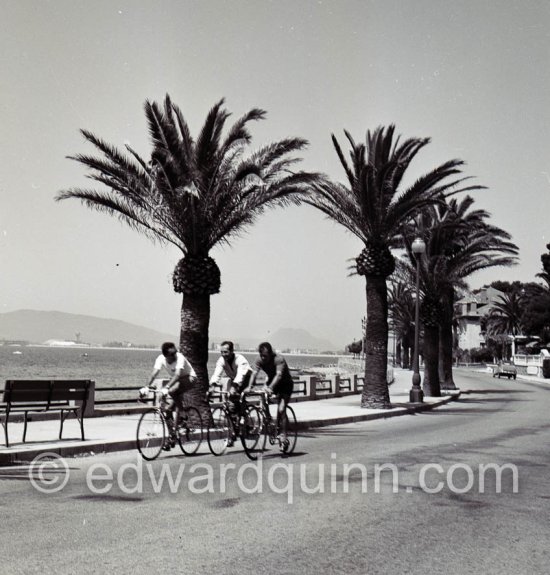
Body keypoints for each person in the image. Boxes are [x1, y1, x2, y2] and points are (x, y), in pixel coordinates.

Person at [146, 342, 197, 451]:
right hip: (177, 381)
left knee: (172, 391)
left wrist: (167, 387)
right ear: (165, 355)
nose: (175, 355)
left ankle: (183, 416)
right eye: (172, 354)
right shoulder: (160, 359)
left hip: (190, 378)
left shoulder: (180, 357)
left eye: (175, 352)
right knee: (167, 409)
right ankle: (171, 437)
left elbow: (178, 374)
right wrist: (146, 387)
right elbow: (154, 373)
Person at [247, 341, 294, 450]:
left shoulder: (278, 359)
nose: (263, 358)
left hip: (285, 385)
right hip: (272, 383)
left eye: (265, 356)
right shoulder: (259, 359)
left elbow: (278, 375)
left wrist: (270, 388)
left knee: (281, 409)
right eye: (261, 355)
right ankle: (268, 419)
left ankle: (283, 435)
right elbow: (254, 373)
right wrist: (249, 386)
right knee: (262, 397)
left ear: (271, 354)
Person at [209, 341, 253, 445]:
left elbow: (241, 375)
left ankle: (245, 421)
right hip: (233, 379)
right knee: (229, 405)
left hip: (247, 379)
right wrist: (212, 385)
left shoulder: (240, 359)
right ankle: (233, 432)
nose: (223, 354)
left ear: (232, 351)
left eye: (226, 352)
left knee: (236, 398)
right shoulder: (221, 360)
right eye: (222, 352)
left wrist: (234, 387)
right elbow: (217, 373)